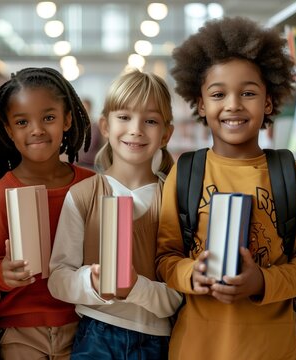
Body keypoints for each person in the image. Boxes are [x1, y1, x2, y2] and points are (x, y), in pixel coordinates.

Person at [155, 17, 296, 360]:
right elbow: (164, 259)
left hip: (275, 349)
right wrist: (193, 274)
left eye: (248, 93)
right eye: (219, 94)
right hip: (196, 348)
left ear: (268, 102)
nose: (233, 104)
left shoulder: (290, 175)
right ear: (201, 104)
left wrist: (261, 281)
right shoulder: (186, 173)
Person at [48, 69, 183, 360]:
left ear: (166, 134)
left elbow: (177, 295)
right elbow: (58, 277)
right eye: (124, 117)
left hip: (155, 339)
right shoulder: (83, 195)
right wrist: (92, 284)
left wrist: (136, 288)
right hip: (96, 333)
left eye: (150, 120)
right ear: (105, 126)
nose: (136, 129)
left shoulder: (174, 200)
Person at [0, 67, 95, 360]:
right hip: (20, 330)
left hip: (82, 323)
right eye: (22, 121)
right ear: (9, 130)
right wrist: (5, 273)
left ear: (67, 119)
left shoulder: (91, 185)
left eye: (48, 117)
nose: (36, 129)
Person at [76, 98, 104, 170]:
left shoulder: (96, 127)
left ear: (90, 109)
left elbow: (89, 147)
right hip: (80, 163)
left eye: (86, 109)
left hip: (92, 164)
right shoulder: (78, 127)